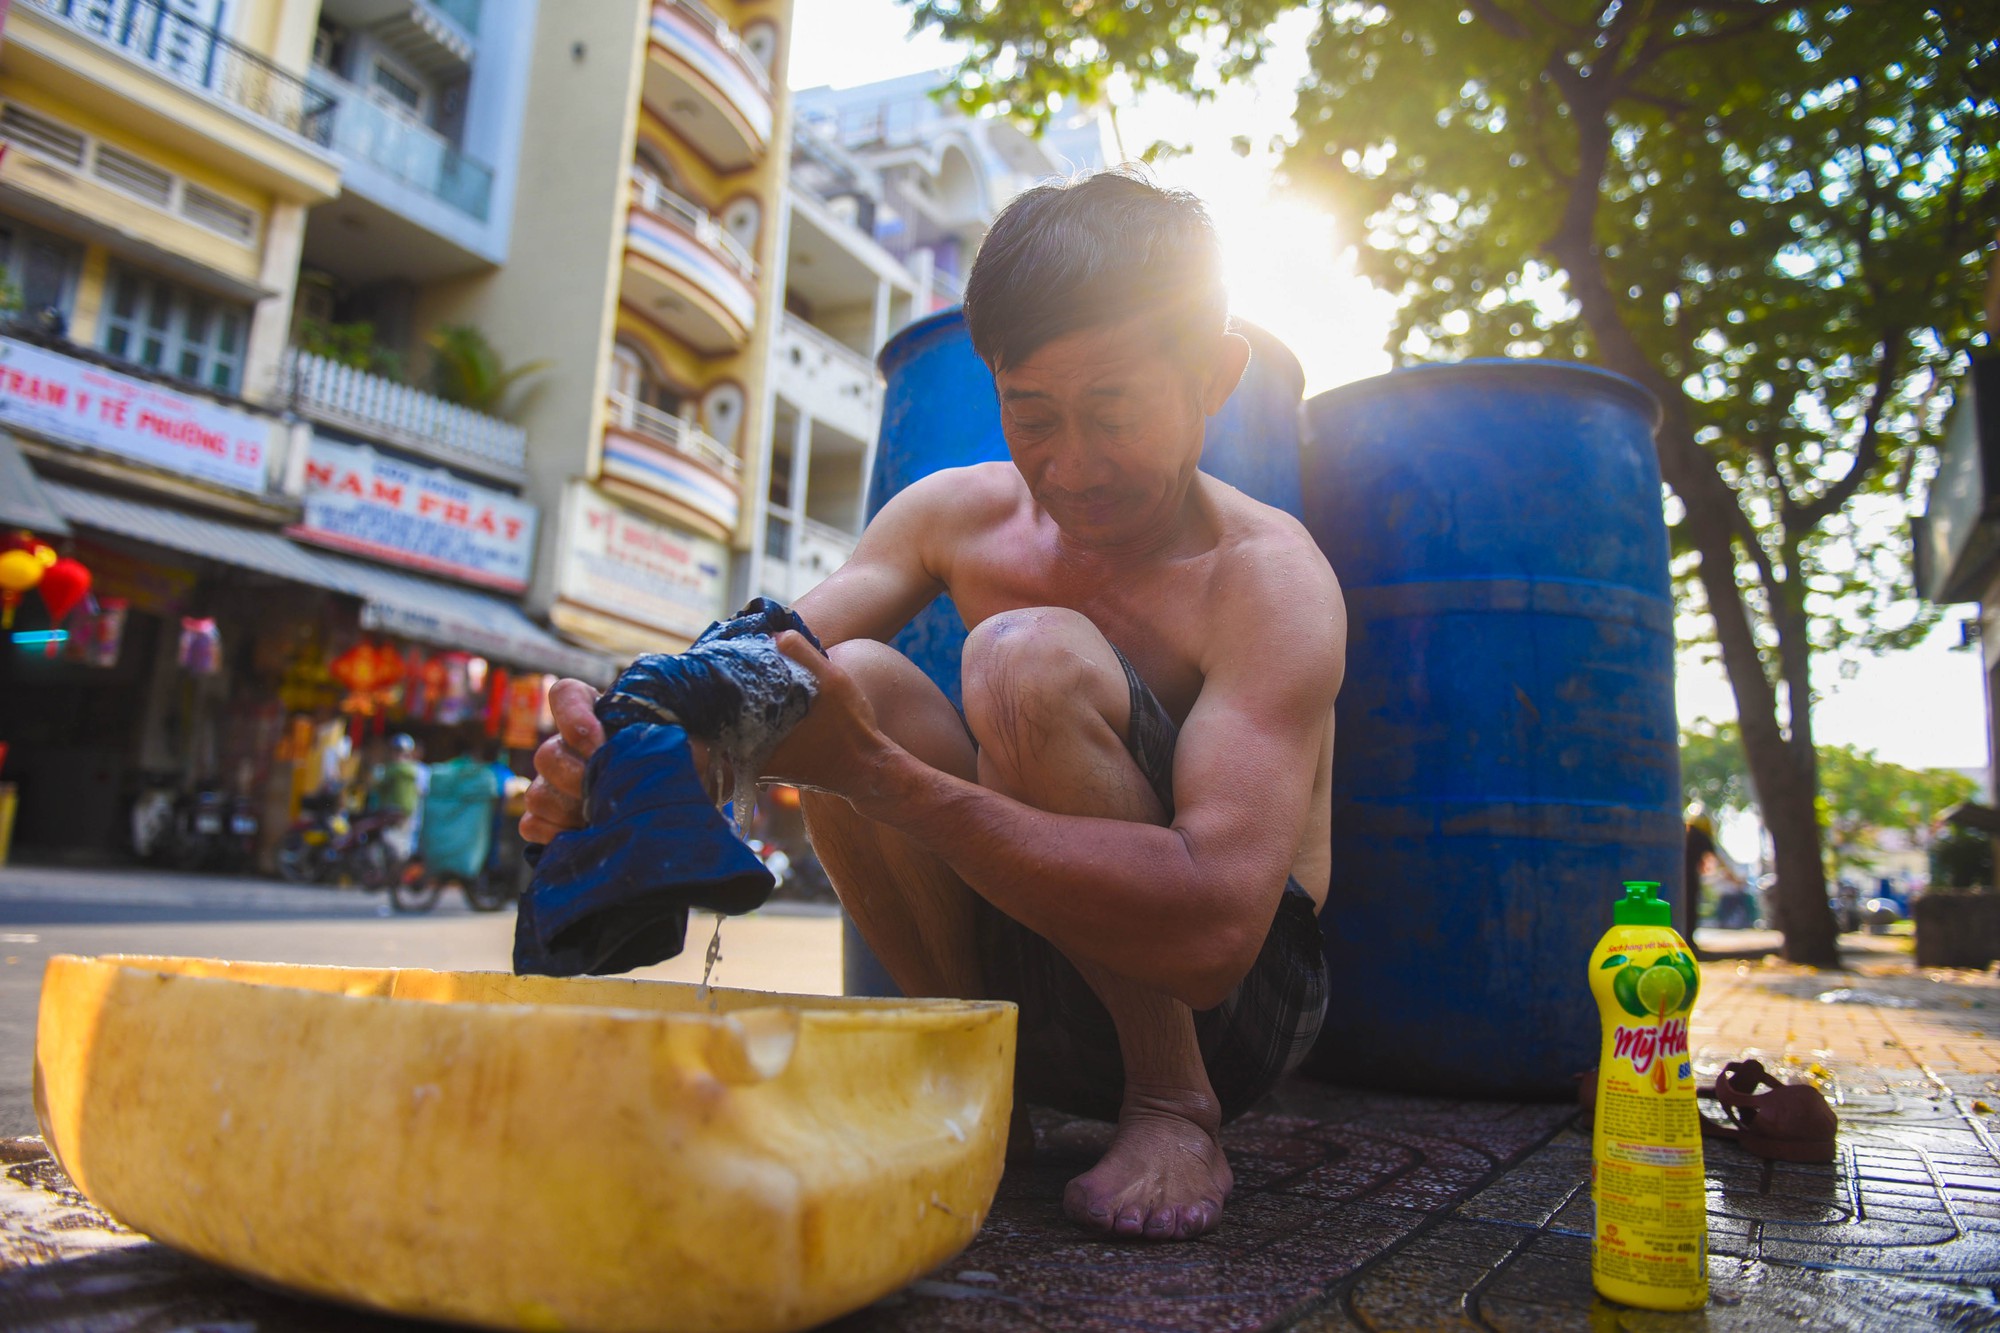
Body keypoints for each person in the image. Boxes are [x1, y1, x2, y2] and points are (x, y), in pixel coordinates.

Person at [524, 169, 1343, 1243]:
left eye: (1113, 411)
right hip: (1027, 962)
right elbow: (758, 671)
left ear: (1211, 378)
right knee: (838, 676)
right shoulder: (954, 513)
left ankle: (1167, 1105)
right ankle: (971, 1073)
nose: (1071, 463)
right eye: (1031, 413)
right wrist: (620, 754)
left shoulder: (1266, 580)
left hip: (1227, 1010)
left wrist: (885, 779)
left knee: (1023, 658)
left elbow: (1213, 934)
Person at [371, 733, 424, 864]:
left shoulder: (391, 770)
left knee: (390, 840)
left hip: (393, 812)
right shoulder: (416, 770)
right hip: (409, 812)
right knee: (403, 842)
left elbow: (377, 786)